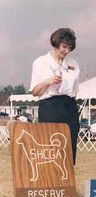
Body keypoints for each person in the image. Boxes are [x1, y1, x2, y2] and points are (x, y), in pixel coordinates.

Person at [30, 28, 80, 165]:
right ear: (56, 43)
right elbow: (35, 92)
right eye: (64, 47)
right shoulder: (40, 62)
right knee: (50, 147)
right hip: (49, 107)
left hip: (69, 106)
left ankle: (68, 179)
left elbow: (75, 91)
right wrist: (47, 82)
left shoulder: (73, 64)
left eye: (70, 48)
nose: (66, 51)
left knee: (69, 147)